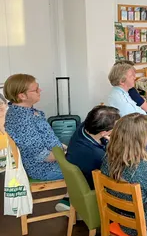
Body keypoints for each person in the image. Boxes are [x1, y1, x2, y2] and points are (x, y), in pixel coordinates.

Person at [3, 74, 69, 212]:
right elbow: (42, 155)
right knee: (90, 166)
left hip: (53, 159)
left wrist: (66, 148)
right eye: (36, 89)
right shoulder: (21, 120)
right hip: (43, 168)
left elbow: (48, 138)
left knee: (88, 158)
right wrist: (69, 155)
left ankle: (75, 202)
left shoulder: (27, 111)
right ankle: (71, 201)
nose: (40, 91)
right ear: (22, 96)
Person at [66, 105, 120, 189]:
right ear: (104, 133)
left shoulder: (84, 127)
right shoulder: (97, 155)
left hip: (82, 174)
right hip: (95, 187)